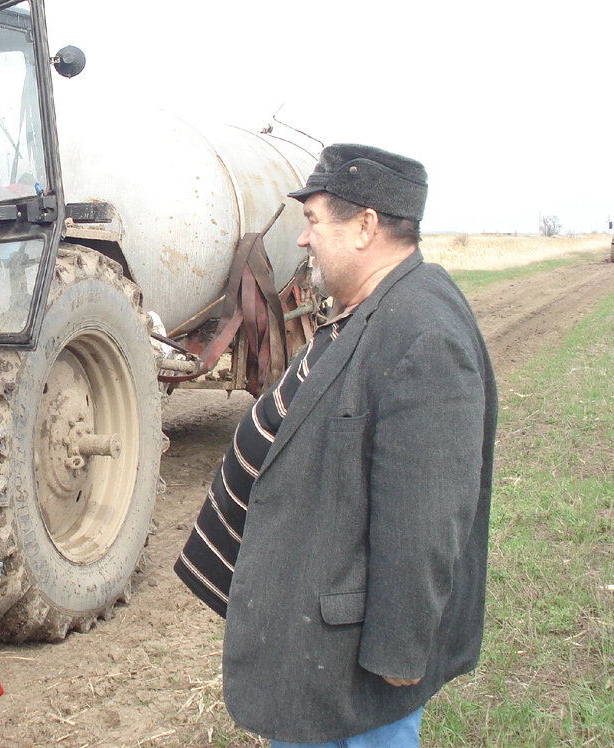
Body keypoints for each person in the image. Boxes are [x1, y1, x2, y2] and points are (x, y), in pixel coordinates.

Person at [175, 144, 497, 747]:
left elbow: (427, 516)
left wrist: (401, 651)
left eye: (314, 220)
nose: (302, 239)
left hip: (361, 676)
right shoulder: (377, 307)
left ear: (365, 227)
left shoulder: (423, 332)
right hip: (323, 651)